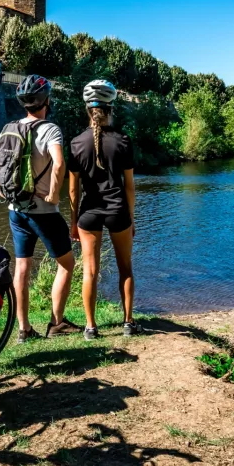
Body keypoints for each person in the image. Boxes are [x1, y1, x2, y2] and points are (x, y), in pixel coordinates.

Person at [0, 74, 80, 343]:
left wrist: (0, 191)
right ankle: (57, 322)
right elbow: (59, 164)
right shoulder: (50, 129)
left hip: (17, 210)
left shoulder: (9, 128)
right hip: (44, 213)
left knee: (22, 268)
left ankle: (24, 330)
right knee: (67, 264)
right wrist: (53, 194)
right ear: (46, 100)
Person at [68, 79, 141, 340]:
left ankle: (90, 327)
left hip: (89, 212)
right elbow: (129, 186)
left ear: (88, 110)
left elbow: (74, 190)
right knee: (125, 268)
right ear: (111, 109)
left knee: (90, 271)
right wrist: (131, 219)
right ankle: (128, 323)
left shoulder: (76, 143)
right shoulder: (122, 141)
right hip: (118, 209)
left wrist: (74, 220)